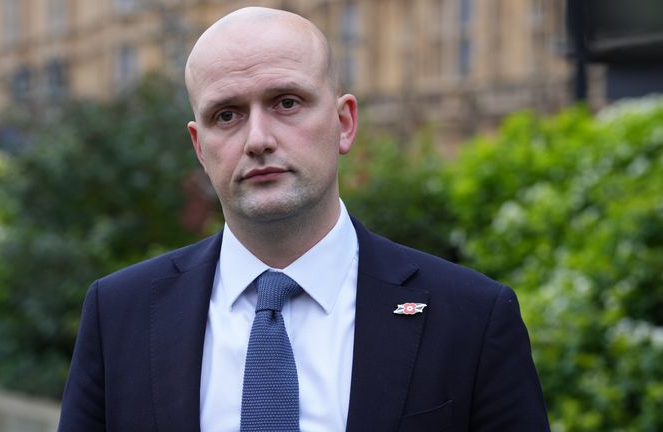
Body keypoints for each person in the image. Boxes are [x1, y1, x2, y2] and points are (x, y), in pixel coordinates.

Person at [58, 6, 549, 432]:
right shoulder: (118, 313)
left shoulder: (470, 318)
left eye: (286, 103)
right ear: (198, 147)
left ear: (344, 123)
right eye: (226, 115)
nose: (257, 139)